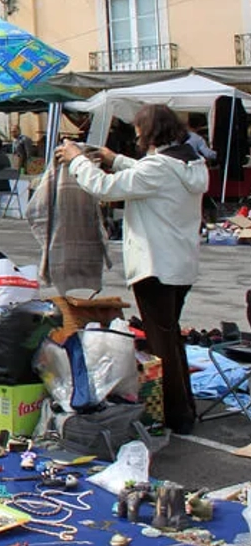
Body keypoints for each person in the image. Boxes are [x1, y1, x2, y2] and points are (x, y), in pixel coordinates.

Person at [54, 104, 208, 434]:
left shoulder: (159, 168)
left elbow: (107, 188)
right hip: (179, 264)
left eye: (139, 129)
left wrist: (77, 159)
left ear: (149, 132)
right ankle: (184, 408)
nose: (136, 134)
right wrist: (115, 159)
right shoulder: (189, 163)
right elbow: (147, 174)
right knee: (169, 334)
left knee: (161, 341)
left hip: (155, 265)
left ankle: (176, 414)